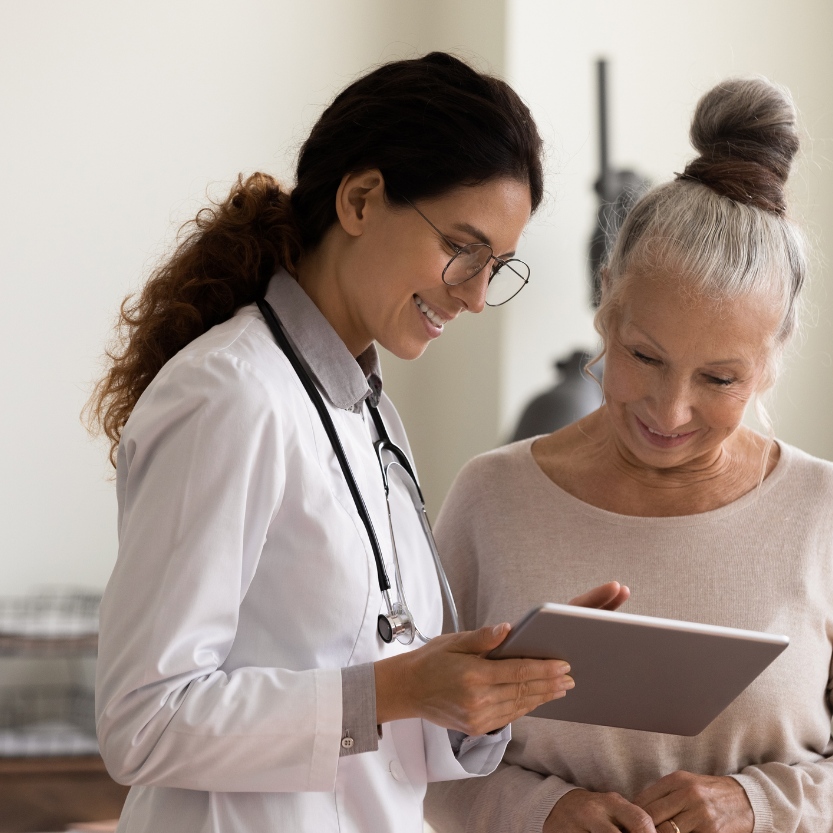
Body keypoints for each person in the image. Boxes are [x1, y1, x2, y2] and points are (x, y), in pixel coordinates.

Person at [424, 77, 833, 833]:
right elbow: (419, 750)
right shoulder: (492, 496)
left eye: (719, 378)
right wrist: (543, 811)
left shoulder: (821, 508)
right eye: (643, 354)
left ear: (771, 361)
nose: (668, 411)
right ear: (606, 300)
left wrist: (757, 805)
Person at [86, 53, 579, 833]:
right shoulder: (231, 395)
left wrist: (474, 696)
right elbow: (142, 720)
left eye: (497, 266)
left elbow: (373, 729)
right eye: (462, 246)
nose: (477, 295)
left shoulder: (366, 410)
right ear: (359, 199)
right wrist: (397, 690)